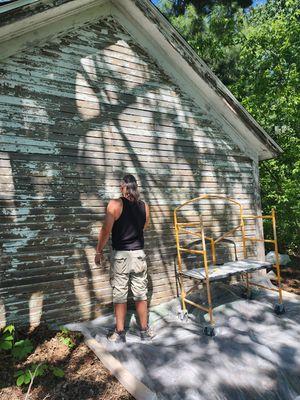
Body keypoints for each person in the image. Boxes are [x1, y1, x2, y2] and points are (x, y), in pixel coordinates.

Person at [94, 174, 154, 342]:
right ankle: (144, 330)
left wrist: (98, 251)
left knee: (120, 294)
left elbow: (106, 230)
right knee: (141, 294)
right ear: (135, 188)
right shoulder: (144, 206)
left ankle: (119, 333)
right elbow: (143, 226)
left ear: (122, 187)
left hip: (121, 255)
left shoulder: (115, 204)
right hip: (139, 255)